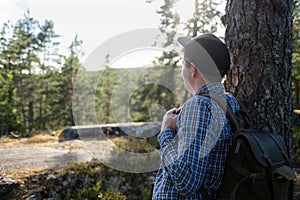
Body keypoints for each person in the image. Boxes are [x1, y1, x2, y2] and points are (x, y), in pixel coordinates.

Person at [152, 34, 240, 199]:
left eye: (183, 64)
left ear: (193, 70)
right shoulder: (229, 102)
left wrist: (166, 133)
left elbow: (186, 181)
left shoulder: (199, 106)